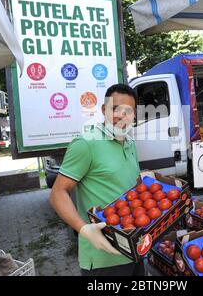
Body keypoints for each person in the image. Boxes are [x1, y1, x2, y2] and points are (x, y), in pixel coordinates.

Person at [49, 84, 144, 276]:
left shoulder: (130, 143)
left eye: (128, 111)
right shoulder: (86, 143)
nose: (122, 116)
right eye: (115, 109)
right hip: (104, 257)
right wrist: (83, 229)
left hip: (135, 249)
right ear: (103, 110)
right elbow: (57, 193)